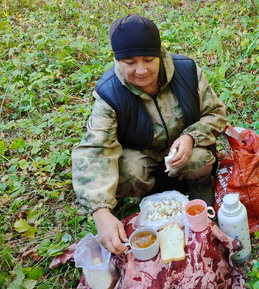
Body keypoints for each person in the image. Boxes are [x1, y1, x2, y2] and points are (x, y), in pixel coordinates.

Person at [72, 14, 227, 255]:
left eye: (148, 59)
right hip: (142, 158)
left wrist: (191, 137)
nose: (141, 70)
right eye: (130, 62)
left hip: (183, 155)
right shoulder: (109, 93)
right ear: (117, 60)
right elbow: (95, 151)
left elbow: (215, 114)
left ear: (160, 53)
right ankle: (152, 199)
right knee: (127, 171)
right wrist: (100, 211)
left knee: (200, 158)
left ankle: (199, 186)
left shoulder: (187, 71)